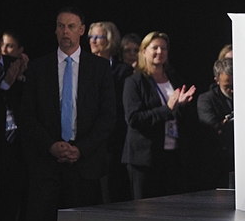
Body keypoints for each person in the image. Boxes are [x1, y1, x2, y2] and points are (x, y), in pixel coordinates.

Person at [19, 7, 116, 221]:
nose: (65, 31)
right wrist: (50, 145)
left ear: (82, 30)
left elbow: (108, 116)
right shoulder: (39, 67)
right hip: (46, 163)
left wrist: (81, 149)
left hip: (83, 164)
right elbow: (27, 116)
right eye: (61, 26)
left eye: (71, 26)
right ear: (55, 30)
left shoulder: (99, 68)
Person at [121, 31, 196, 200]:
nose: (160, 52)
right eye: (155, 48)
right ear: (144, 51)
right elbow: (133, 118)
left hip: (172, 156)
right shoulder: (134, 82)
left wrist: (182, 105)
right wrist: (167, 109)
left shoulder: (174, 79)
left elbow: (182, 116)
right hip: (145, 159)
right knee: (146, 210)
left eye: (164, 48)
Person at [88, 21, 134, 203]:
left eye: (98, 37)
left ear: (110, 40)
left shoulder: (123, 71)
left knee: (112, 189)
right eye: (91, 37)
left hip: (114, 139)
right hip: (88, 139)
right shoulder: (82, 68)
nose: (93, 41)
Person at [0, 33, 28, 221]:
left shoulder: (15, 64)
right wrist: (6, 83)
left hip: (16, 149)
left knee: (9, 209)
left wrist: (21, 77)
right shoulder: (7, 73)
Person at [197, 58, 234, 189]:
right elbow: (215, 129)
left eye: (235, 85)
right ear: (217, 80)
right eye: (227, 86)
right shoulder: (206, 100)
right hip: (219, 163)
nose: (233, 91)